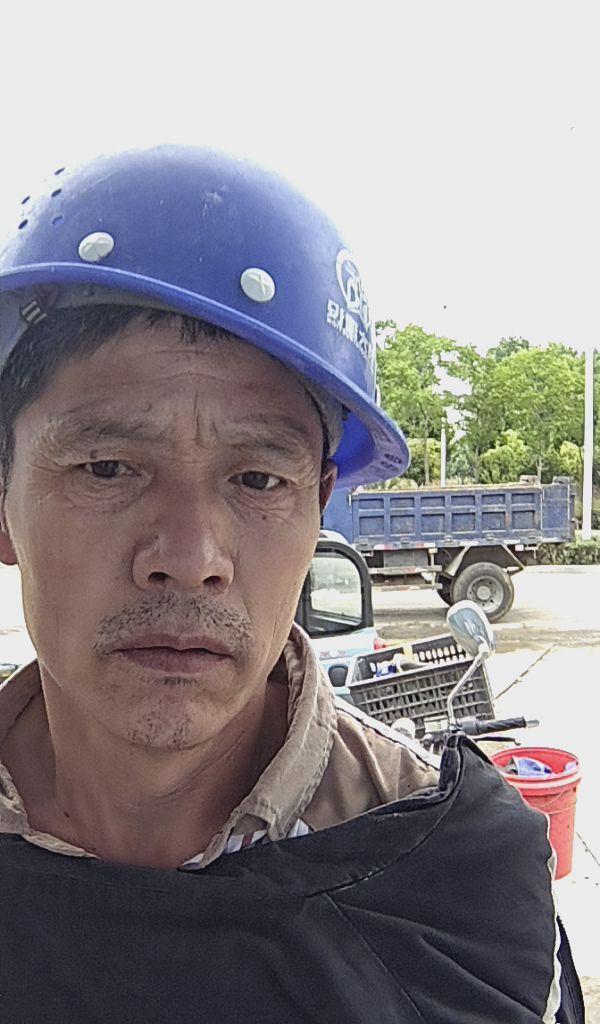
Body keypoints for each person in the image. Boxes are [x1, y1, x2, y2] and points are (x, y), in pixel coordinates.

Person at [0, 147, 583, 1022]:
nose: (191, 555)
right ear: (3, 503)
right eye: (109, 466)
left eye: (258, 480)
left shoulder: (457, 889)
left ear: (317, 509)